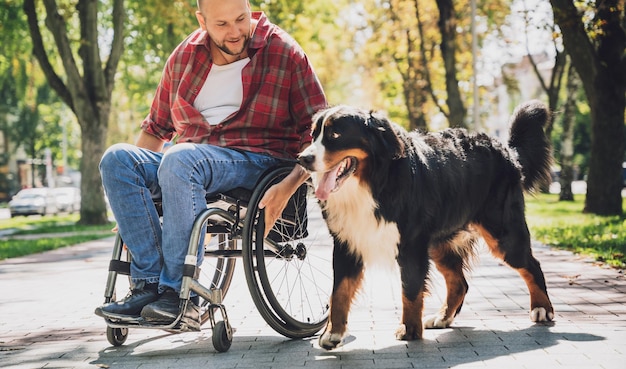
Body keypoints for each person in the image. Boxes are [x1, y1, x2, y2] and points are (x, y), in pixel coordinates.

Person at [94, 0, 327, 330]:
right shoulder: (184, 57)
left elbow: (318, 131)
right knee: (117, 159)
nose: (235, 32)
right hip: (188, 162)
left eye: (241, 19)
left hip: (256, 161)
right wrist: (131, 205)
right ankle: (147, 288)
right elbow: (157, 128)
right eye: (222, 25)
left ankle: (178, 297)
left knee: (181, 158)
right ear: (201, 20)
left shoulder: (283, 51)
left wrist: (289, 185)